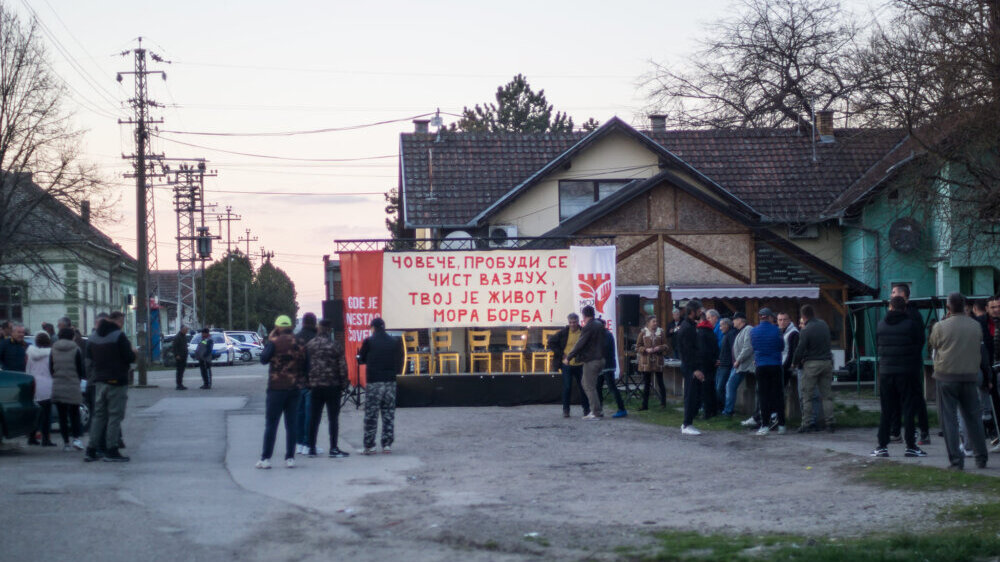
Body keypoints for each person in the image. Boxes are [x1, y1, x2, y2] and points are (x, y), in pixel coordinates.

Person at [929, 293, 988, 470]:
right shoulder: (975, 326)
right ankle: (981, 458)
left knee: (949, 420)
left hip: (946, 377)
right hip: (969, 376)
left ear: (948, 307)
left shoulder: (940, 326)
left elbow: (933, 344)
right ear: (965, 306)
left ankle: (956, 461)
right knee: (973, 418)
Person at [870, 296, 925, 457]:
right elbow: (918, 344)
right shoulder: (911, 325)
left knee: (887, 409)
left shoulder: (881, 325)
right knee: (908, 408)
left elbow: (878, 344)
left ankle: (882, 445)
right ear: (904, 308)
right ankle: (910, 445)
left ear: (890, 307)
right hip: (907, 371)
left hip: (886, 371)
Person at [256, 315, 308, 469]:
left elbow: (264, 359)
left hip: (276, 388)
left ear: (277, 327)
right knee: (291, 424)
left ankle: (266, 459)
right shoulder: (299, 343)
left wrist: (269, 341)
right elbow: (307, 365)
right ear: (291, 326)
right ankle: (290, 458)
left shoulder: (274, 343)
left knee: (271, 424)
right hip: (294, 389)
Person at [84, 311, 136, 462]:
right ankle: (111, 450)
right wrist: (134, 353)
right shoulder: (119, 336)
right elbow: (129, 357)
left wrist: (92, 378)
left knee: (98, 416)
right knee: (114, 416)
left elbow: (88, 361)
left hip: (99, 381)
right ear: (119, 321)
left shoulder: (92, 337)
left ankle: (91, 450)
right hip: (117, 381)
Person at [889, 283, 930, 445]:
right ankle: (896, 430)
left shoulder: (912, 314)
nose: (891, 295)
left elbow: (918, 339)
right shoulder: (898, 315)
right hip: (899, 362)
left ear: (902, 295)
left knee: (915, 397)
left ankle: (923, 432)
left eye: (893, 292)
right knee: (897, 397)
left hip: (909, 363)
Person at [304, 319, 350, 458]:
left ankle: (311, 447)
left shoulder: (310, 345)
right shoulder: (334, 345)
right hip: (332, 386)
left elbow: (304, 366)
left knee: (314, 418)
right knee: (333, 418)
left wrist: (307, 383)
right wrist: (344, 385)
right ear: (329, 329)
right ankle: (333, 448)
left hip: (315, 386)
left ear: (318, 328)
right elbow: (342, 367)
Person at [358, 317, 404, 454]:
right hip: (390, 381)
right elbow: (400, 361)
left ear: (373, 328)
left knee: (371, 414)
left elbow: (361, 359)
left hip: (374, 382)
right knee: (388, 413)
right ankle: (387, 444)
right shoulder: (394, 342)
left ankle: (370, 445)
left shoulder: (369, 341)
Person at [791, 305, 836, 434]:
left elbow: (800, 349)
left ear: (803, 316)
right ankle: (830, 423)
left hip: (811, 364)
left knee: (807, 396)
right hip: (827, 362)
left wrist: (794, 363)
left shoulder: (806, 330)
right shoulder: (824, 324)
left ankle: (806, 424)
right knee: (827, 396)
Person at [565, 306, 606, 421]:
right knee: (585, 383)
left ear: (583, 316)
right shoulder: (599, 325)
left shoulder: (589, 327)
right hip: (601, 358)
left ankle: (596, 412)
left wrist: (569, 357)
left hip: (592, 360)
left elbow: (580, 343)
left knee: (589, 386)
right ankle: (596, 410)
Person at [751, 308, 785, 435]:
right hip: (775, 364)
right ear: (770, 317)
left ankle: (764, 425)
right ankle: (781, 424)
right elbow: (781, 347)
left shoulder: (753, 331)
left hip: (761, 365)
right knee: (778, 395)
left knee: (763, 396)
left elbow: (754, 346)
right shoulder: (777, 330)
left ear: (760, 317)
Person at [548, 313, 590, 418]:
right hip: (567, 364)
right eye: (571, 322)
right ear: (568, 322)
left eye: (574, 322)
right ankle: (566, 410)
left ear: (578, 322)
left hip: (580, 364)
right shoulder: (563, 332)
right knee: (567, 387)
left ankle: (586, 409)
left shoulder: (583, 332)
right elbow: (551, 342)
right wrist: (561, 354)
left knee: (583, 387)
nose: (573, 325)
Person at [50, 327, 86, 451]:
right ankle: (76, 439)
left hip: (58, 384)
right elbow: (80, 368)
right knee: (75, 413)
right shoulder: (76, 349)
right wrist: (78, 379)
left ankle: (66, 443)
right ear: (72, 336)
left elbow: (51, 367)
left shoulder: (53, 348)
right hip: (73, 384)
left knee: (62, 416)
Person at [676, 300, 705, 435]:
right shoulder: (687, 328)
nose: (701, 313)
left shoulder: (690, 326)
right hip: (690, 366)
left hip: (692, 365)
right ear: (692, 312)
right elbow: (687, 351)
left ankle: (688, 422)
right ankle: (687, 423)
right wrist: (695, 369)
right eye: (699, 311)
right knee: (690, 394)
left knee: (695, 395)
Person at [294, 313, 319, 455]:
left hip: (297, 381)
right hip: (313, 381)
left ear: (303, 323)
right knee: (311, 413)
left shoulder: (296, 338)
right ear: (314, 323)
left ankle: (299, 443)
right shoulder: (316, 338)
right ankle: (309, 443)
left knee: (299, 412)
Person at [26, 332, 55, 446]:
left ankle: (31, 437)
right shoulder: (51, 353)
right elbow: (53, 369)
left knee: (34, 413)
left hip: (33, 383)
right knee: (46, 415)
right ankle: (46, 439)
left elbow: (27, 368)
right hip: (47, 385)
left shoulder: (29, 352)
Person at [726, 313, 755, 419]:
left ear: (740, 320)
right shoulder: (741, 331)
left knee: (730, 385)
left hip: (743, 365)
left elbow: (748, 347)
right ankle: (728, 410)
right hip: (738, 365)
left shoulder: (748, 329)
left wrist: (738, 360)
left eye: (734, 319)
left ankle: (728, 411)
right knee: (729, 385)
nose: (733, 322)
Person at [597, 321, 627, 418]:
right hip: (600, 366)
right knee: (598, 388)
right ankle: (598, 409)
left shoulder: (607, 335)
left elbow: (603, 349)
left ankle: (622, 409)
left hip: (608, 366)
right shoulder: (600, 335)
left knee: (612, 388)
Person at [635, 316, 667, 410]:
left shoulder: (660, 332)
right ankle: (645, 405)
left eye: (656, 321)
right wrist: (646, 349)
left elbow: (666, 346)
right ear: (648, 322)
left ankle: (663, 404)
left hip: (657, 361)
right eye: (653, 321)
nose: (655, 323)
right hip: (646, 362)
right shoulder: (643, 333)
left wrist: (659, 348)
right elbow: (637, 347)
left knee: (660, 382)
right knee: (647, 384)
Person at [696, 312, 719, 419]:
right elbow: (715, 348)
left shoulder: (700, 332)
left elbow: (702, 350)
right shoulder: (711, 332)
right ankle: (713, 410)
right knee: (711, 388)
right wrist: (714, 360)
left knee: (704, 389)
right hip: (712, 363)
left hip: (703, 364)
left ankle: (706, 412)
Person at [716, 318, 735, 407]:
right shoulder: (726, 334)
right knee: (718, 387)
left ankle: (723, 407)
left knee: (720, 387)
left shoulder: (730, 334)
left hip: (726, 365)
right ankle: (720, 407)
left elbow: (733, 349)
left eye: (721, 325)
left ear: (727, 325)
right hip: (722, 364)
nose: (720, 328)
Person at [172, 325, 190, 390]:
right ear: (182, 330)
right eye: (186, 330)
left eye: (187, 330)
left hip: (184, 356)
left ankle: (181, 384)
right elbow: (174, 347)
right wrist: (176, 355)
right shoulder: (178, 337)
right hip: (179, 357)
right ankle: (178, 385)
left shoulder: (184, 336)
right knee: (179, 371)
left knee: (182, 371)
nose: (186, 331)